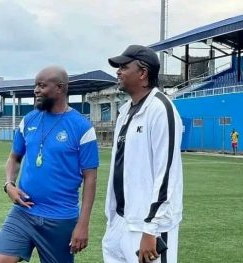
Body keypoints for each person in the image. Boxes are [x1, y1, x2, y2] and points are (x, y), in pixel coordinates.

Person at [0, 66, 99, 263]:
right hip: (24, 212)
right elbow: (14, 157)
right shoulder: (29, 119)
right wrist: (9, 185)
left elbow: (90, 177)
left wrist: (83, 224)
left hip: (60, 219)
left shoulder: (82, 127)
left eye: (41, 85)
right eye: (35, 85)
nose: (36, 90)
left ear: (60, 88)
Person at [102, 45, 183, 263]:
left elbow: (166, 174)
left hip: (147, 226)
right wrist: (111, 219)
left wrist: (151, 229)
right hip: (120, 221)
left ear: (143, 73)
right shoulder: (124, 111)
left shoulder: (160, 109)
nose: (118, 71)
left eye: (123, 67)